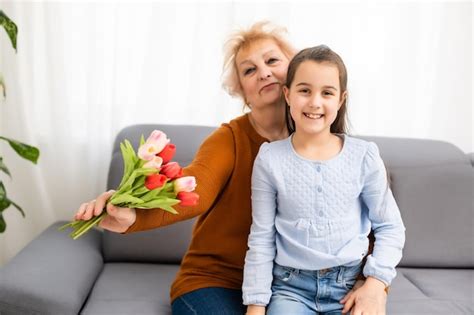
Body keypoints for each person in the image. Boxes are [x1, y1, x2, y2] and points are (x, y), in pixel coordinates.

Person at [74, 22, 388, 314]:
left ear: (294, 74)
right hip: (215, 280)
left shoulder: (333, 145)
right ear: (240, 90)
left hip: (288, 287)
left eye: (272, 61)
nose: (263, 73)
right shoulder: (229, 140)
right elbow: (193, 188)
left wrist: (375, 283)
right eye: (250, 70)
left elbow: (369, 222)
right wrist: (132, 212)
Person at [242, 45, 406, 315]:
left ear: (340, 100)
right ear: (288, 94)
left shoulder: (364, 155)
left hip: (350, 286)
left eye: (327, 93)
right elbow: (261, 237)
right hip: (290, 288)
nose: (315, 102)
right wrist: (256, 307)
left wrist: (375, 285)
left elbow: (390, 227)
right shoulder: (269, 159)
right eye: (304, 90)